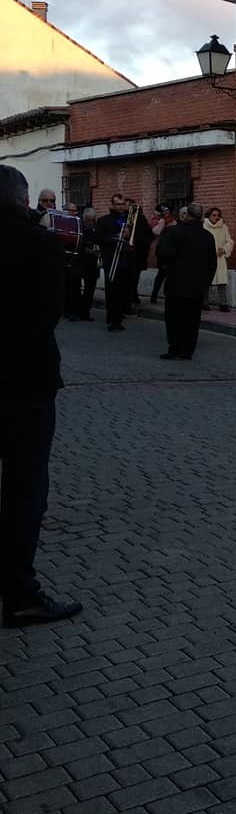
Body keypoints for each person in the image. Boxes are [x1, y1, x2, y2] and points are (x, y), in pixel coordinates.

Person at [0, 165, 82, 628]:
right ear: (23, 198)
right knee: (24, 490)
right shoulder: (41, 245)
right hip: (26, 385)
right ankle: (20, 593)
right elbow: (51, 314)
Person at [154, 202, 216, 360]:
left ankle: (174, 348)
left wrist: (171, 263)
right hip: (197, 286)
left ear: (187, 215)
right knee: (192, 320)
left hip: (176, 282)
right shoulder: (207, 236)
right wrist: (205, 283)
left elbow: (162, 252)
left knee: (174, 318)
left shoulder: (173, 231)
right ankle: (188, 350)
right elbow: (212, 263)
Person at [97, 193, 132, 331]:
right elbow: (98, 239)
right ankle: (111, 320)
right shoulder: (104, 220)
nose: (121, 207)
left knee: (122, 291)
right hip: (111, 260)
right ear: (111, 205)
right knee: (112, 291)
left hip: (125, 259)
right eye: (118, 204)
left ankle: (118, 319)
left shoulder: (126, 220)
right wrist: (116, 237)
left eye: (123, 204)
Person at [203, 207, 234, 312]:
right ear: (209, 216)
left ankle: (223, 304)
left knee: (222, 282)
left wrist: (224, 249)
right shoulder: (204, 227)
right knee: (206, 281)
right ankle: (205, 303)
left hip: (220, 258)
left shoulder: (224, 227)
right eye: (214, 215)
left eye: (218, 215)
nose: (216, 217)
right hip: (207, 258)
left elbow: (229, 241)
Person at [75, 207, 101, 321]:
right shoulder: (80, 227)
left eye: (92, 220)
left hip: (93, 263)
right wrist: (88, 250)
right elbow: (78, 244)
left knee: (90, 289)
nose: (91, 222)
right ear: (84, 219)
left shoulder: (97, 228)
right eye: (88, 220)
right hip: (81, 261)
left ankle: (85, 312)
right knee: (76, 288)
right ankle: (77, 311)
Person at [149, 205, 178, 304]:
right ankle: (154, 296)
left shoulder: (173, 221)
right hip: (162, 251)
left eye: (167, 210)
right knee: (161, 275)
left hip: (172, 250)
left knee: (170, 276)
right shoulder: (159, 220)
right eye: (164, 210)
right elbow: (155, 231)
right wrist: (162, 222)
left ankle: (169, 296)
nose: (165, 212)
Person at [126, 199, 153, 310]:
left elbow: (149, 235)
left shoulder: (141, 219)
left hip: (138, 253)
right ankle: (131, 296)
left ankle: (133, 295)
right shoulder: (124, 219)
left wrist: (141, 245)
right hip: (126, 252)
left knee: (135, 276)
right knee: (129, 277)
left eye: (127, 206)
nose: (125, 208)